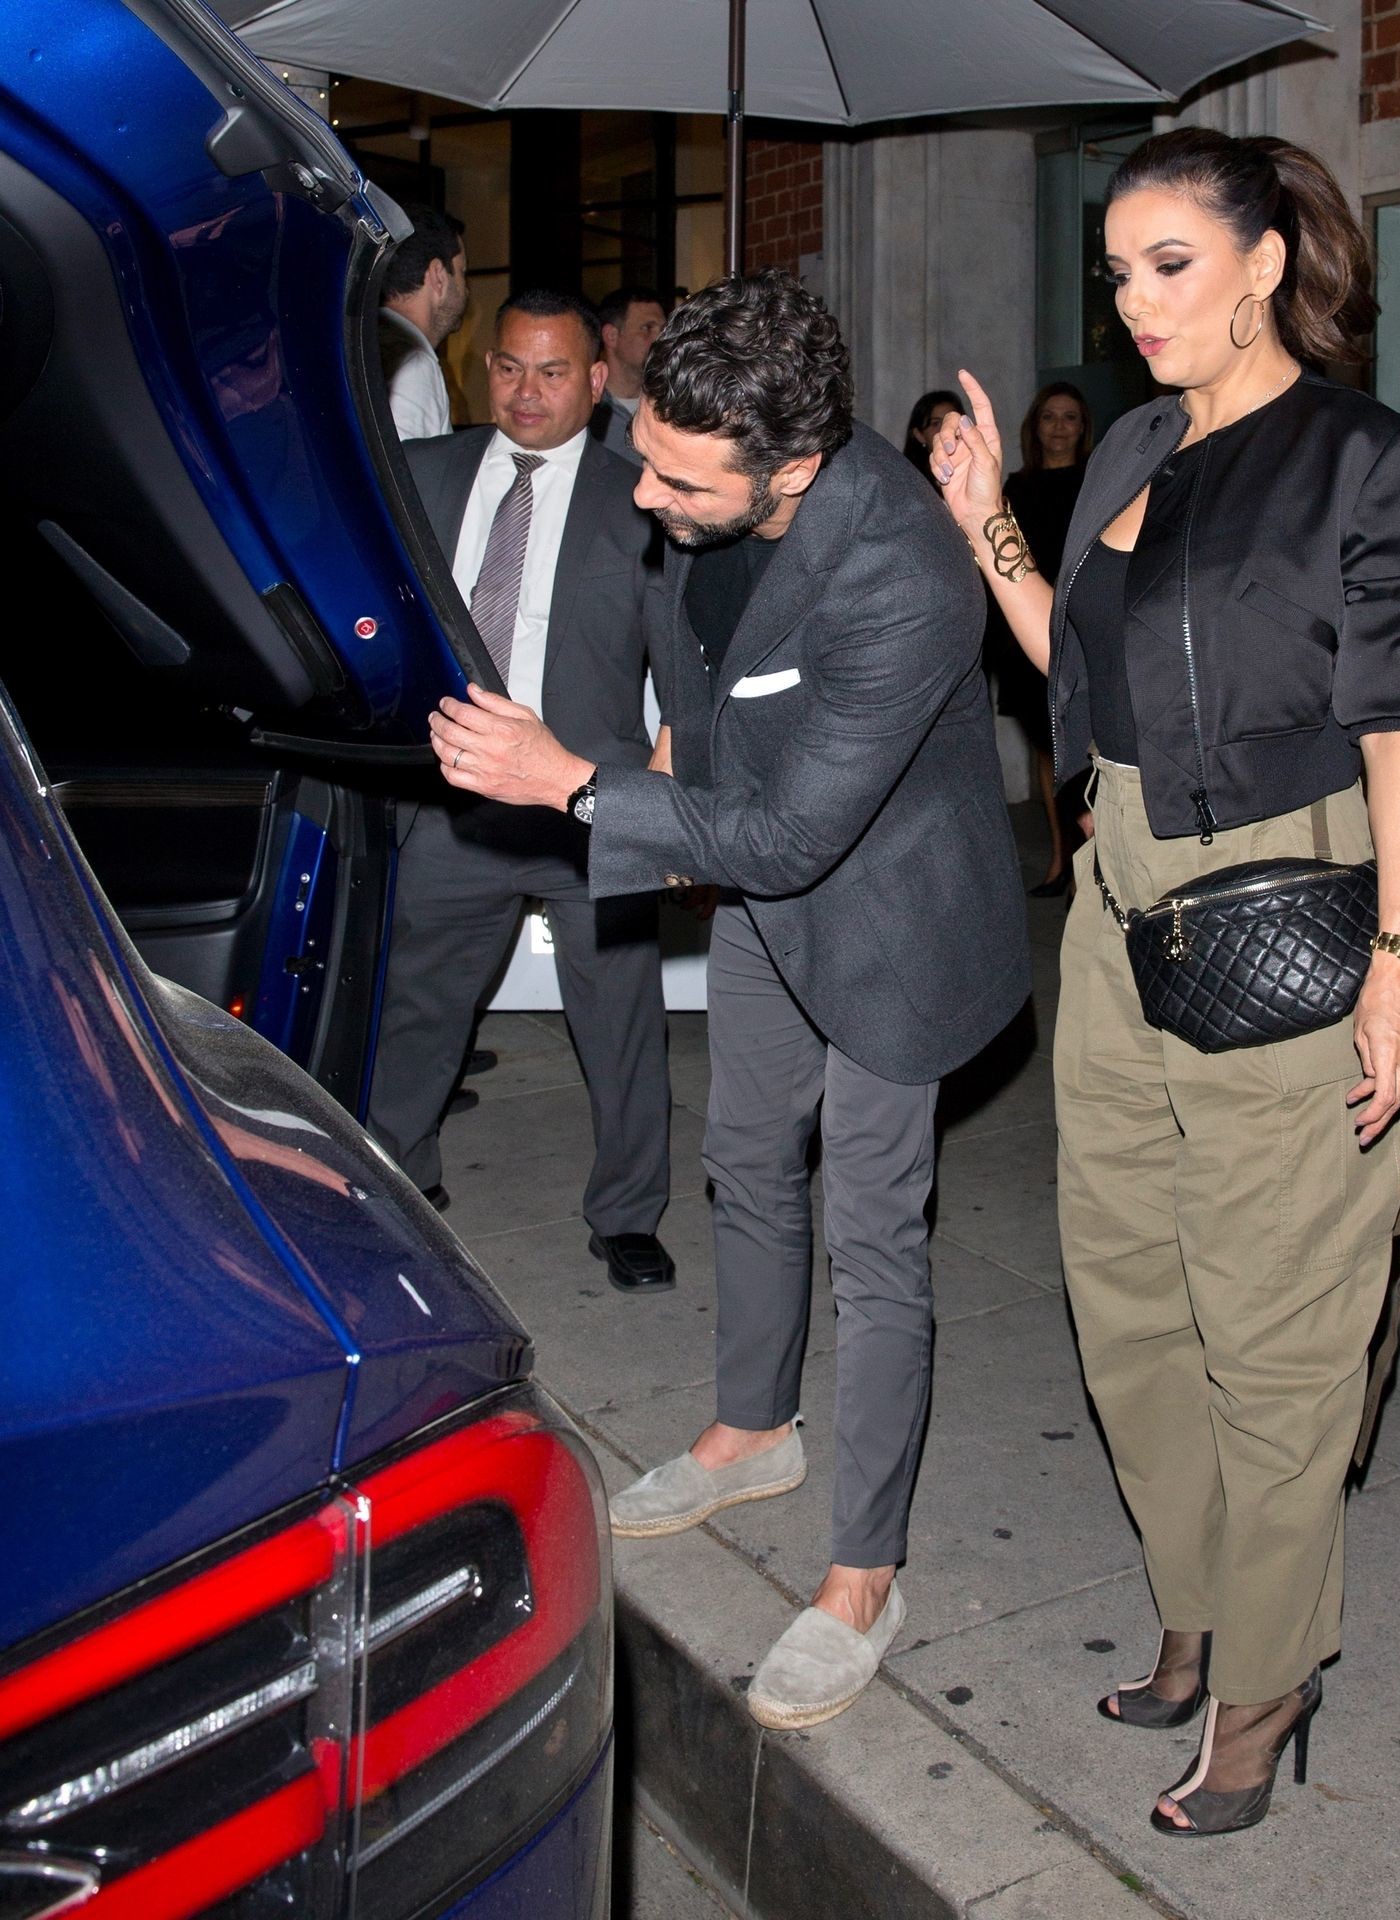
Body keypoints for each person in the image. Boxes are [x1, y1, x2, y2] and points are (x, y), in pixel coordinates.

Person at [931, 129, 1400, 1835]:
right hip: (1117, 901)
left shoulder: (1359, 458)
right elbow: (1074, 677)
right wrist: (984, 525)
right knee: (1126, 1290)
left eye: (1168, 264)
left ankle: (1270, 1670)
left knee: (1276, 1317)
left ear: (1262, 262)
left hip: (1289, 890)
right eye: (1115, 272)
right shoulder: (1131, 449)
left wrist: (1398, 960)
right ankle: (1197, 1599)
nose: (1133, 302)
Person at [426, 270, 1031, 1730]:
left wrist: (574, 783)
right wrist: (663, 758)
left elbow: (797, 835)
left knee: (873, 1234)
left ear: (794, 470)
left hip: (889, 918)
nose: (644, 494)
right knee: (745, 1155)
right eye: (644, 454)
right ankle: (754, 1426)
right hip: (764, 882)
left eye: (680, 480)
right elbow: (707, 683)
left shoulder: (903, 571)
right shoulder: (701, 491)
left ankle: (865, 1576)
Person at [367, 288, 676, 1297]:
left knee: (619, 1019)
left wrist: (671, 805)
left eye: (552, 371)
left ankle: (627, 1213)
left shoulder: (644, 494)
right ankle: (398, 1185)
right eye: (508, 367)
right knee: (418, 1007)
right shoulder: (422, 474)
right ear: (482, 370)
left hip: (591, 801)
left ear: (597, 378)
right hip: (455, 798)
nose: (527, 391)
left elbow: (684, 663)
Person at [995, 383, 1095, 896]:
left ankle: (1087, 868)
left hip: (1080, 630)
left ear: (1083, 428)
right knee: (1043, 746)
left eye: (1070, 417)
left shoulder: (1097, 482)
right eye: (1049, 417)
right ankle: (1060, 861)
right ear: (1035, 427)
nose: (1059, 427)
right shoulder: (1015, 487)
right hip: (1025, 632)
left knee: (1081, 749)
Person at [378, 205, 468, 440]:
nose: (466, 291)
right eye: (462, 273)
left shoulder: (363, 342)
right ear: (438, 276)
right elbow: (405, 461)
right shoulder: (413, 364)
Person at [588, 285, 668, 464]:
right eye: (647, 328)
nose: (660, 340)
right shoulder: (585, 410)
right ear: (611, 336)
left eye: (663, 330)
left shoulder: (670, 405)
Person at [900, 389, 965, 486]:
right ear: (919, 435)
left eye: (951, 421)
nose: (945, 428)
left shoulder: (975, 465)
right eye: (935, 423)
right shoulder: (908, 479)